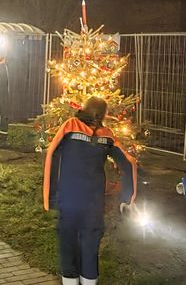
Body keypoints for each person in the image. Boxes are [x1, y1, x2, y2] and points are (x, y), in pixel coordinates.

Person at [42, 96, 138, 285]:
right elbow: (128, 163)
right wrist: (128, 197)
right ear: (103, 114)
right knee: (90, 244)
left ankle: (70, 280)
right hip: (93, 201)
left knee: (68, 242)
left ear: (84, 109)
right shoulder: (107, 135)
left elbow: (52, 154)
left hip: (69, 197)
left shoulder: (70, 126)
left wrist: (50, 196)